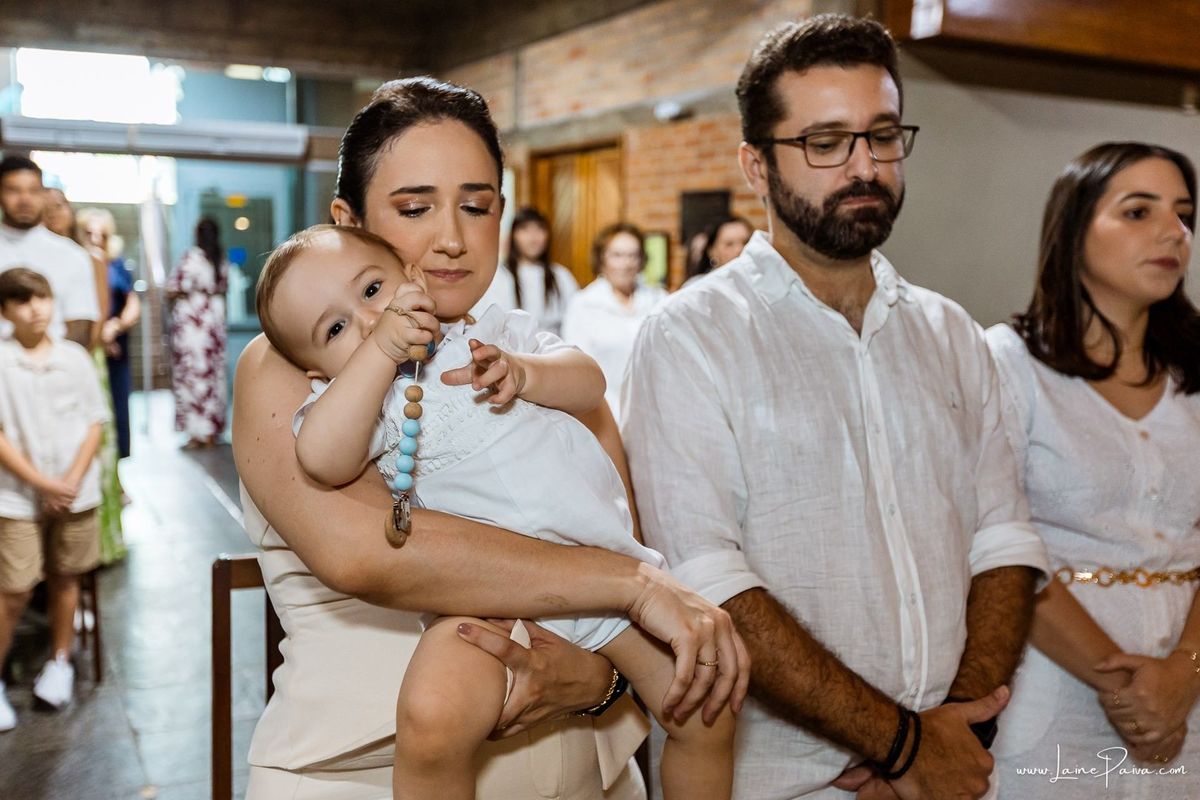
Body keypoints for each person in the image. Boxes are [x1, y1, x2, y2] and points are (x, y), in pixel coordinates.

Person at [233, 76, 744, 799]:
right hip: (370, 775)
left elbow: (605, 524)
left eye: (477, 206)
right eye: (415, 208)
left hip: (589, 768)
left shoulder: (516, 347)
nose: (452, 237)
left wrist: (596, 678)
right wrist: (635, 587)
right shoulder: (300, 356)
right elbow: (367, 552)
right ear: (347, 220)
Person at [622, 14, 1050, 800]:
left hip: (952, 768)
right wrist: (899, 742)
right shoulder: (691, 338)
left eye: (881, 136)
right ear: (756, 166)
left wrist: (952, 728)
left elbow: (1002, 542)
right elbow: (709, 585)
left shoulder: (950, 331)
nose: (864, 166)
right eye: (825, 143)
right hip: (783, 782)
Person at [985, 142, 1200, 795]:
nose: (1173, 233)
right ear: (1074, 232)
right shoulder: (1007, 362)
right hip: (1056, 685)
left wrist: (1181, 675)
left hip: (1187, 688)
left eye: (1185, 215)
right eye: (1138, 212)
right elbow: (996, 538)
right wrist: (1126, 686)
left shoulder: (1194, 374)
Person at [0, 268, 108, 730]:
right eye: (22, 301)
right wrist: (43, 484)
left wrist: (68, 481)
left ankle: (60, 663)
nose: (36, 309)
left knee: (67, 577)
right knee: (16, 588)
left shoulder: (74, 357)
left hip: (75, 490)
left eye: (41, 298)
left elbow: (95, 422)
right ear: (5, 311)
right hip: (17, 495)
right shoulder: (2, 361)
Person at [561, 223, 666, 418]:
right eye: (617, 255)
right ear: (602, 259)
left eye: (632, 255)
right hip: (604, 412)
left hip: (655, 411)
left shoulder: (659, 299)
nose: (626, 264)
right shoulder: (583, 305)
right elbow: (580, 368)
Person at [0, 157, 99, 349]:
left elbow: (80, 327)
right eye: (14, 190)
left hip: (54, 371)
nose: (24, 200)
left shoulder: (72, 255)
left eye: (33, 190)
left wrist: (49, 368)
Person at [165, 217, 227, 449]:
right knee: (213, 375)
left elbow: (173, 287)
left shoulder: (192, 257)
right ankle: (211, 430)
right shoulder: (221, 258)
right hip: (214, 320)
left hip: (194, 322)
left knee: (192, 374)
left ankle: (196, 433)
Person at [473, 206, 579, 334]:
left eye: (539, 229)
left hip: (554, 350)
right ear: (513, 235)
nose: (533, 237)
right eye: (525, 229)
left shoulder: (561, 276)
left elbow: (577, 321)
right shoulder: (498, 275)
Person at [682, 216, 754, 286]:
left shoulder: (760, 283)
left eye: (746, 242)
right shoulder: (698, 286)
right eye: (729, 244)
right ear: (712, 251)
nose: (739, 249)